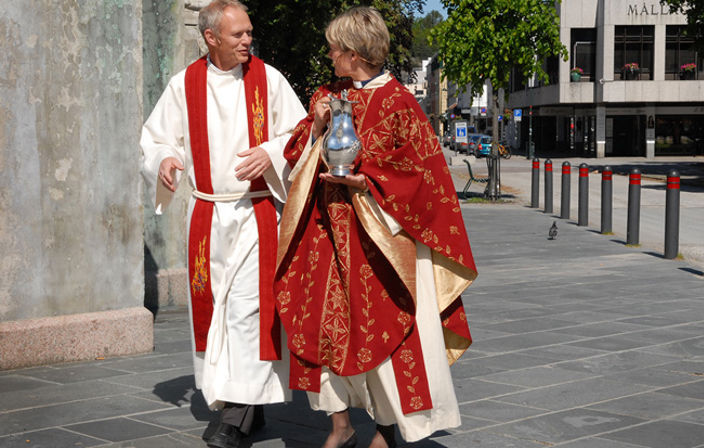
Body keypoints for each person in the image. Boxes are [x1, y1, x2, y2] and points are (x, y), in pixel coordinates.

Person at [275, 7, 477, 448]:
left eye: (335, 49)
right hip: (328, 234)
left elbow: (424, 176)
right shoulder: (328, 95)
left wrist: (367, 180)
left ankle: (386, 430)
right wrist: (320, 127)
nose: (329, 56)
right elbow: (298, 153)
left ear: (354, 53)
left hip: (381, 241)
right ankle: (340, 423)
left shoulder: (400, 101)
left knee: (387, 331)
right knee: (325, 331)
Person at [140, 1, 306, 447]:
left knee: (248, 313)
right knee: (215, 312)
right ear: (211, 37)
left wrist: (270, 154)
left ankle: (234, 420)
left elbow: (301, 133)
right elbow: (154, 137)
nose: (248, 40)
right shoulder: (185, 85)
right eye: (238, 35)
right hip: (208, 217)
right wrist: (166, 160)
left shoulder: (268, 80)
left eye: (249, 32)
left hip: (256, 215)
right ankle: (249, 404)